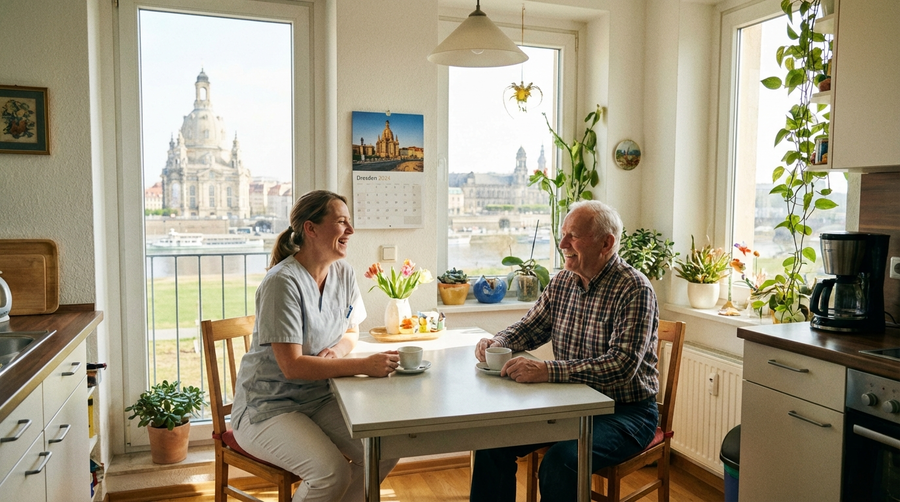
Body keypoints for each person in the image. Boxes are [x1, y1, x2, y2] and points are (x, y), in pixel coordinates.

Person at [469, 200, 660, 502]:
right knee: (491, 441)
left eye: (573, 235)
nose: (562, 244)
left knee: (560, 462)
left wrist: (547, 370)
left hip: (625, 412)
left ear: (606, 243)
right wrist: (499, 341)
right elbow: (531, 327)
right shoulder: (562, 281)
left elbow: (621, 365)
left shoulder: (634, 289)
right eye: (562, 235)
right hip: (568, 403)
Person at [231, 190, 400, 502]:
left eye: (350, 222)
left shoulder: (344, 273)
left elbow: (351, 331)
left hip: (320, 397)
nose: (350, 230)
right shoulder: (282, 283)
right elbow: (292, 366)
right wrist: (363, 365)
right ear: (311, 228)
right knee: (331, 473)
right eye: (341, 222)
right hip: (268, 406)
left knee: (384, 448)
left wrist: (337, 351)